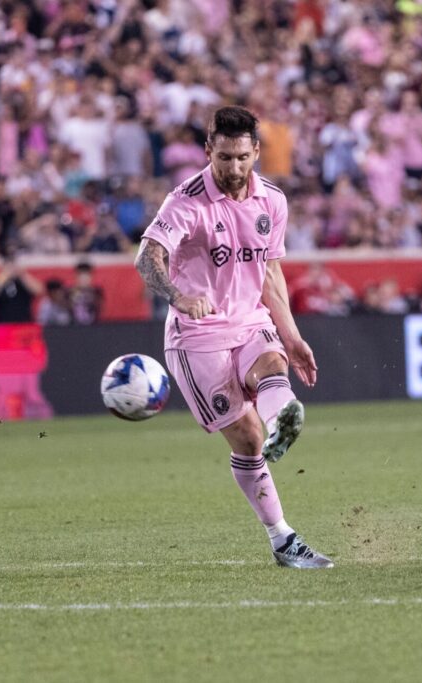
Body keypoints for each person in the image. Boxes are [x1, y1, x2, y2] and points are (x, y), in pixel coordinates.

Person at [134, 106, 332, 569]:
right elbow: (147, 258)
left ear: (257, 152)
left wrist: (293, 335)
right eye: (224, 157)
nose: (234, 168)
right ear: (209, 151)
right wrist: (177, 295)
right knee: (247, 439)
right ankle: (282, 538)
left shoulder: (273, 202)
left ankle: (284, 416)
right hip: (197, 336)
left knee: (273, 363)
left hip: (249, 319)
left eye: (243, 157)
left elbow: (270, 273)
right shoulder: (186, 201)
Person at [0, 255, 44, 323]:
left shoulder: (24, 281)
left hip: (23, 324)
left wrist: (22, 275)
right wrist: (4, 276)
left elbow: (39, 291)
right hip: (1, 324)